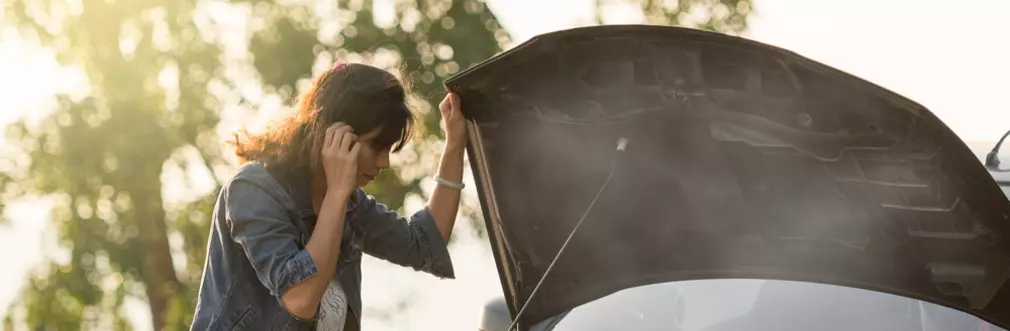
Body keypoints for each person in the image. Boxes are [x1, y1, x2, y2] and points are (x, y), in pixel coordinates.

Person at [189, 61, 467, 331]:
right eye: (377, 146)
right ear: (333, 135)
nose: (385, 163)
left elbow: (424, 245)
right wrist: (336, 194)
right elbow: (300, 298)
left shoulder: (349, 204)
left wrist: (455, 143)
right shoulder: (253, 189)